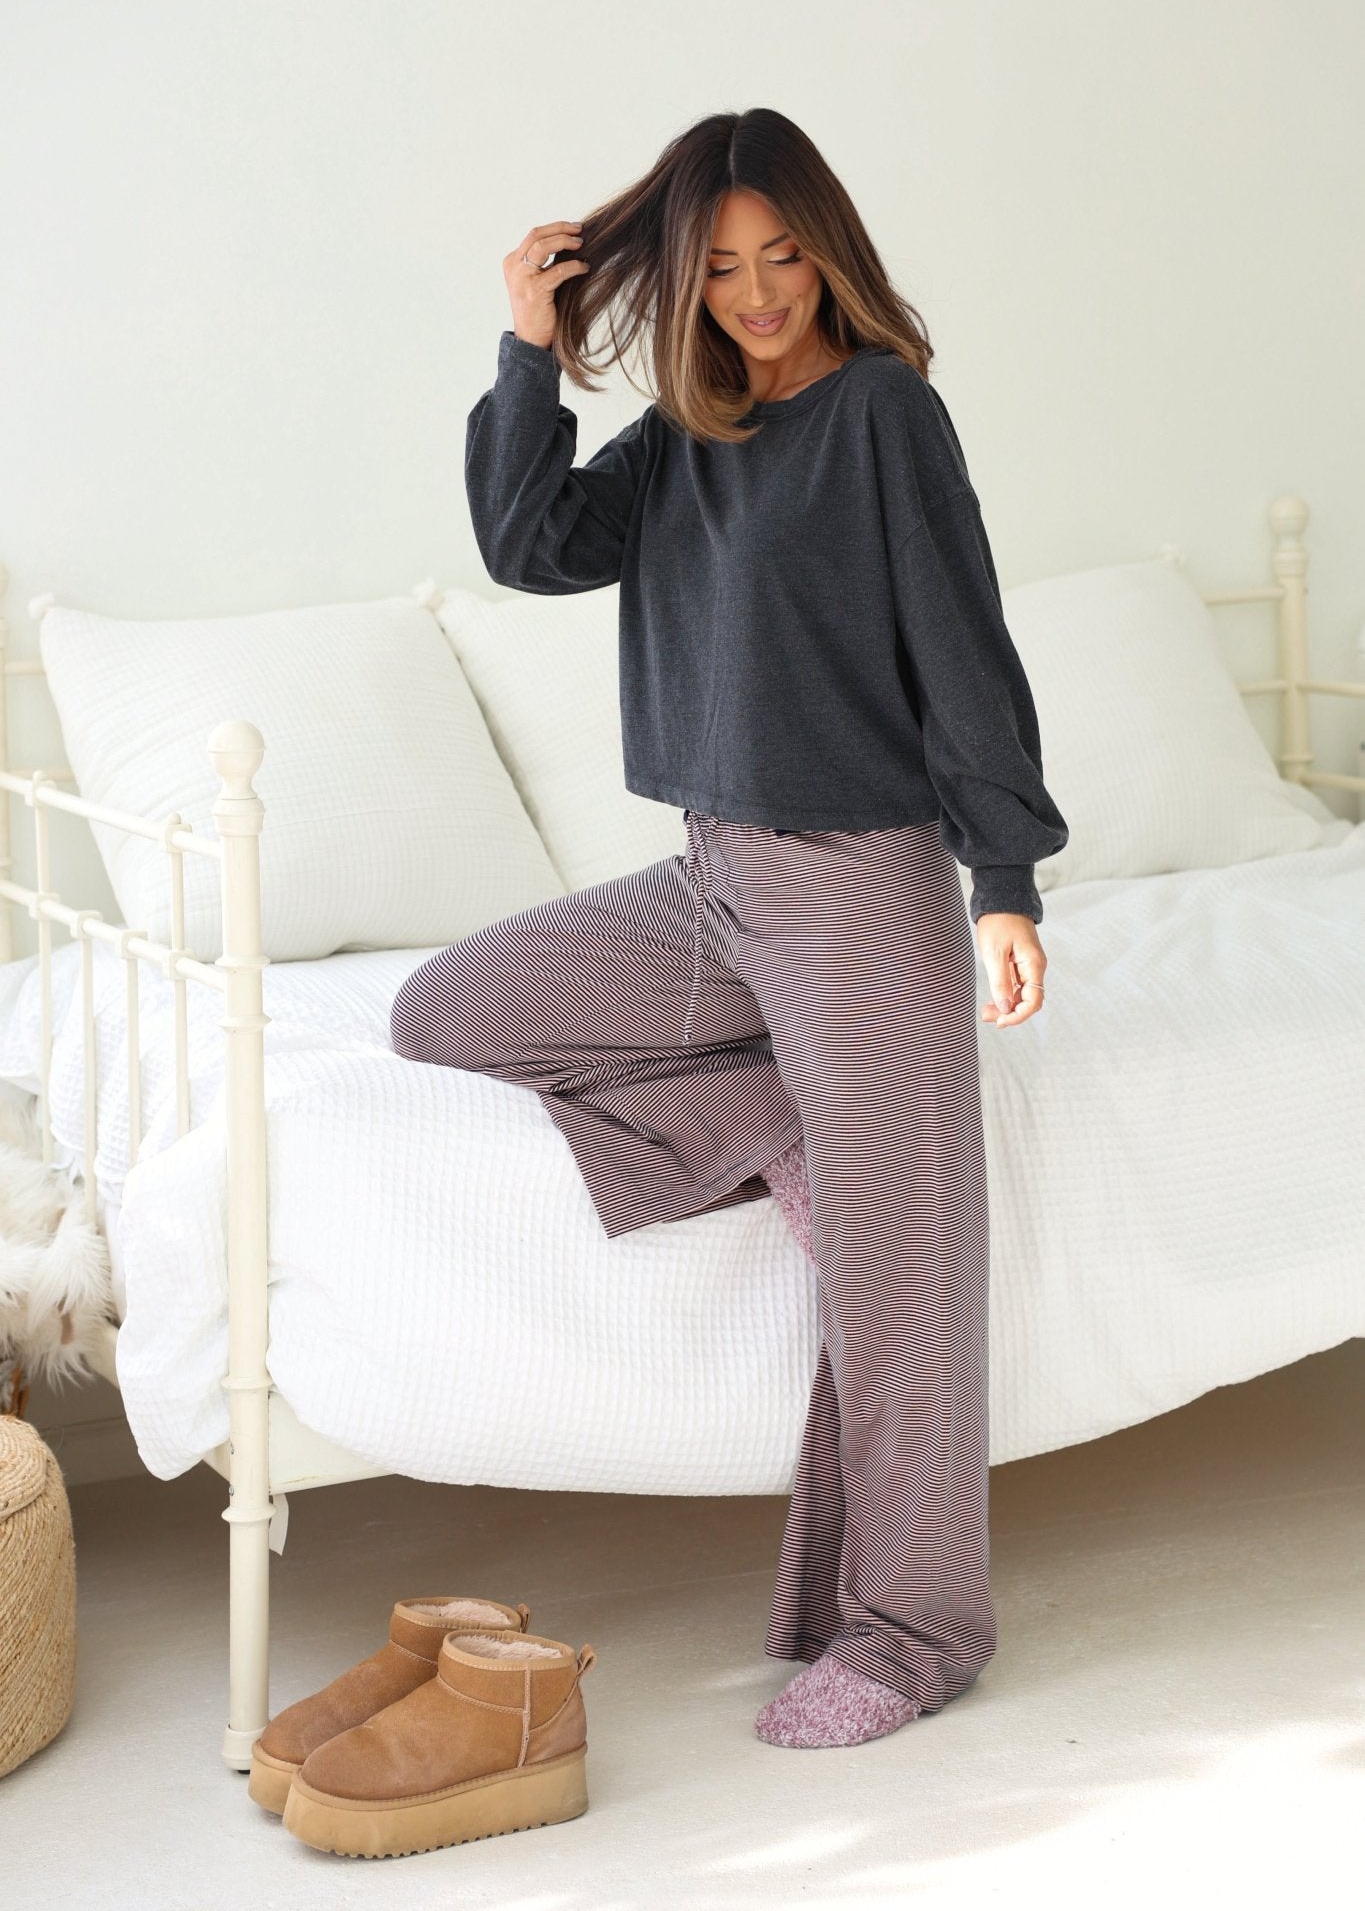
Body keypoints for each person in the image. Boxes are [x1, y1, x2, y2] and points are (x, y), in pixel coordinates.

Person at [391, 107, 1069, 1751]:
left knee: (898, 1282)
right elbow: (527, 546)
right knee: (448, 1011)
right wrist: (525, 347)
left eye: (782, 258)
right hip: (712, 877)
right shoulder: (691, 428)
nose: (760, 294)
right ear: (683, 283)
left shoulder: (884, 416)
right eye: (723, 267)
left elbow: (960, 648)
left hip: (858, 888)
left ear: (826, 250)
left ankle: (914, 1634)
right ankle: (793, 1132)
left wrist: (1000, 882)